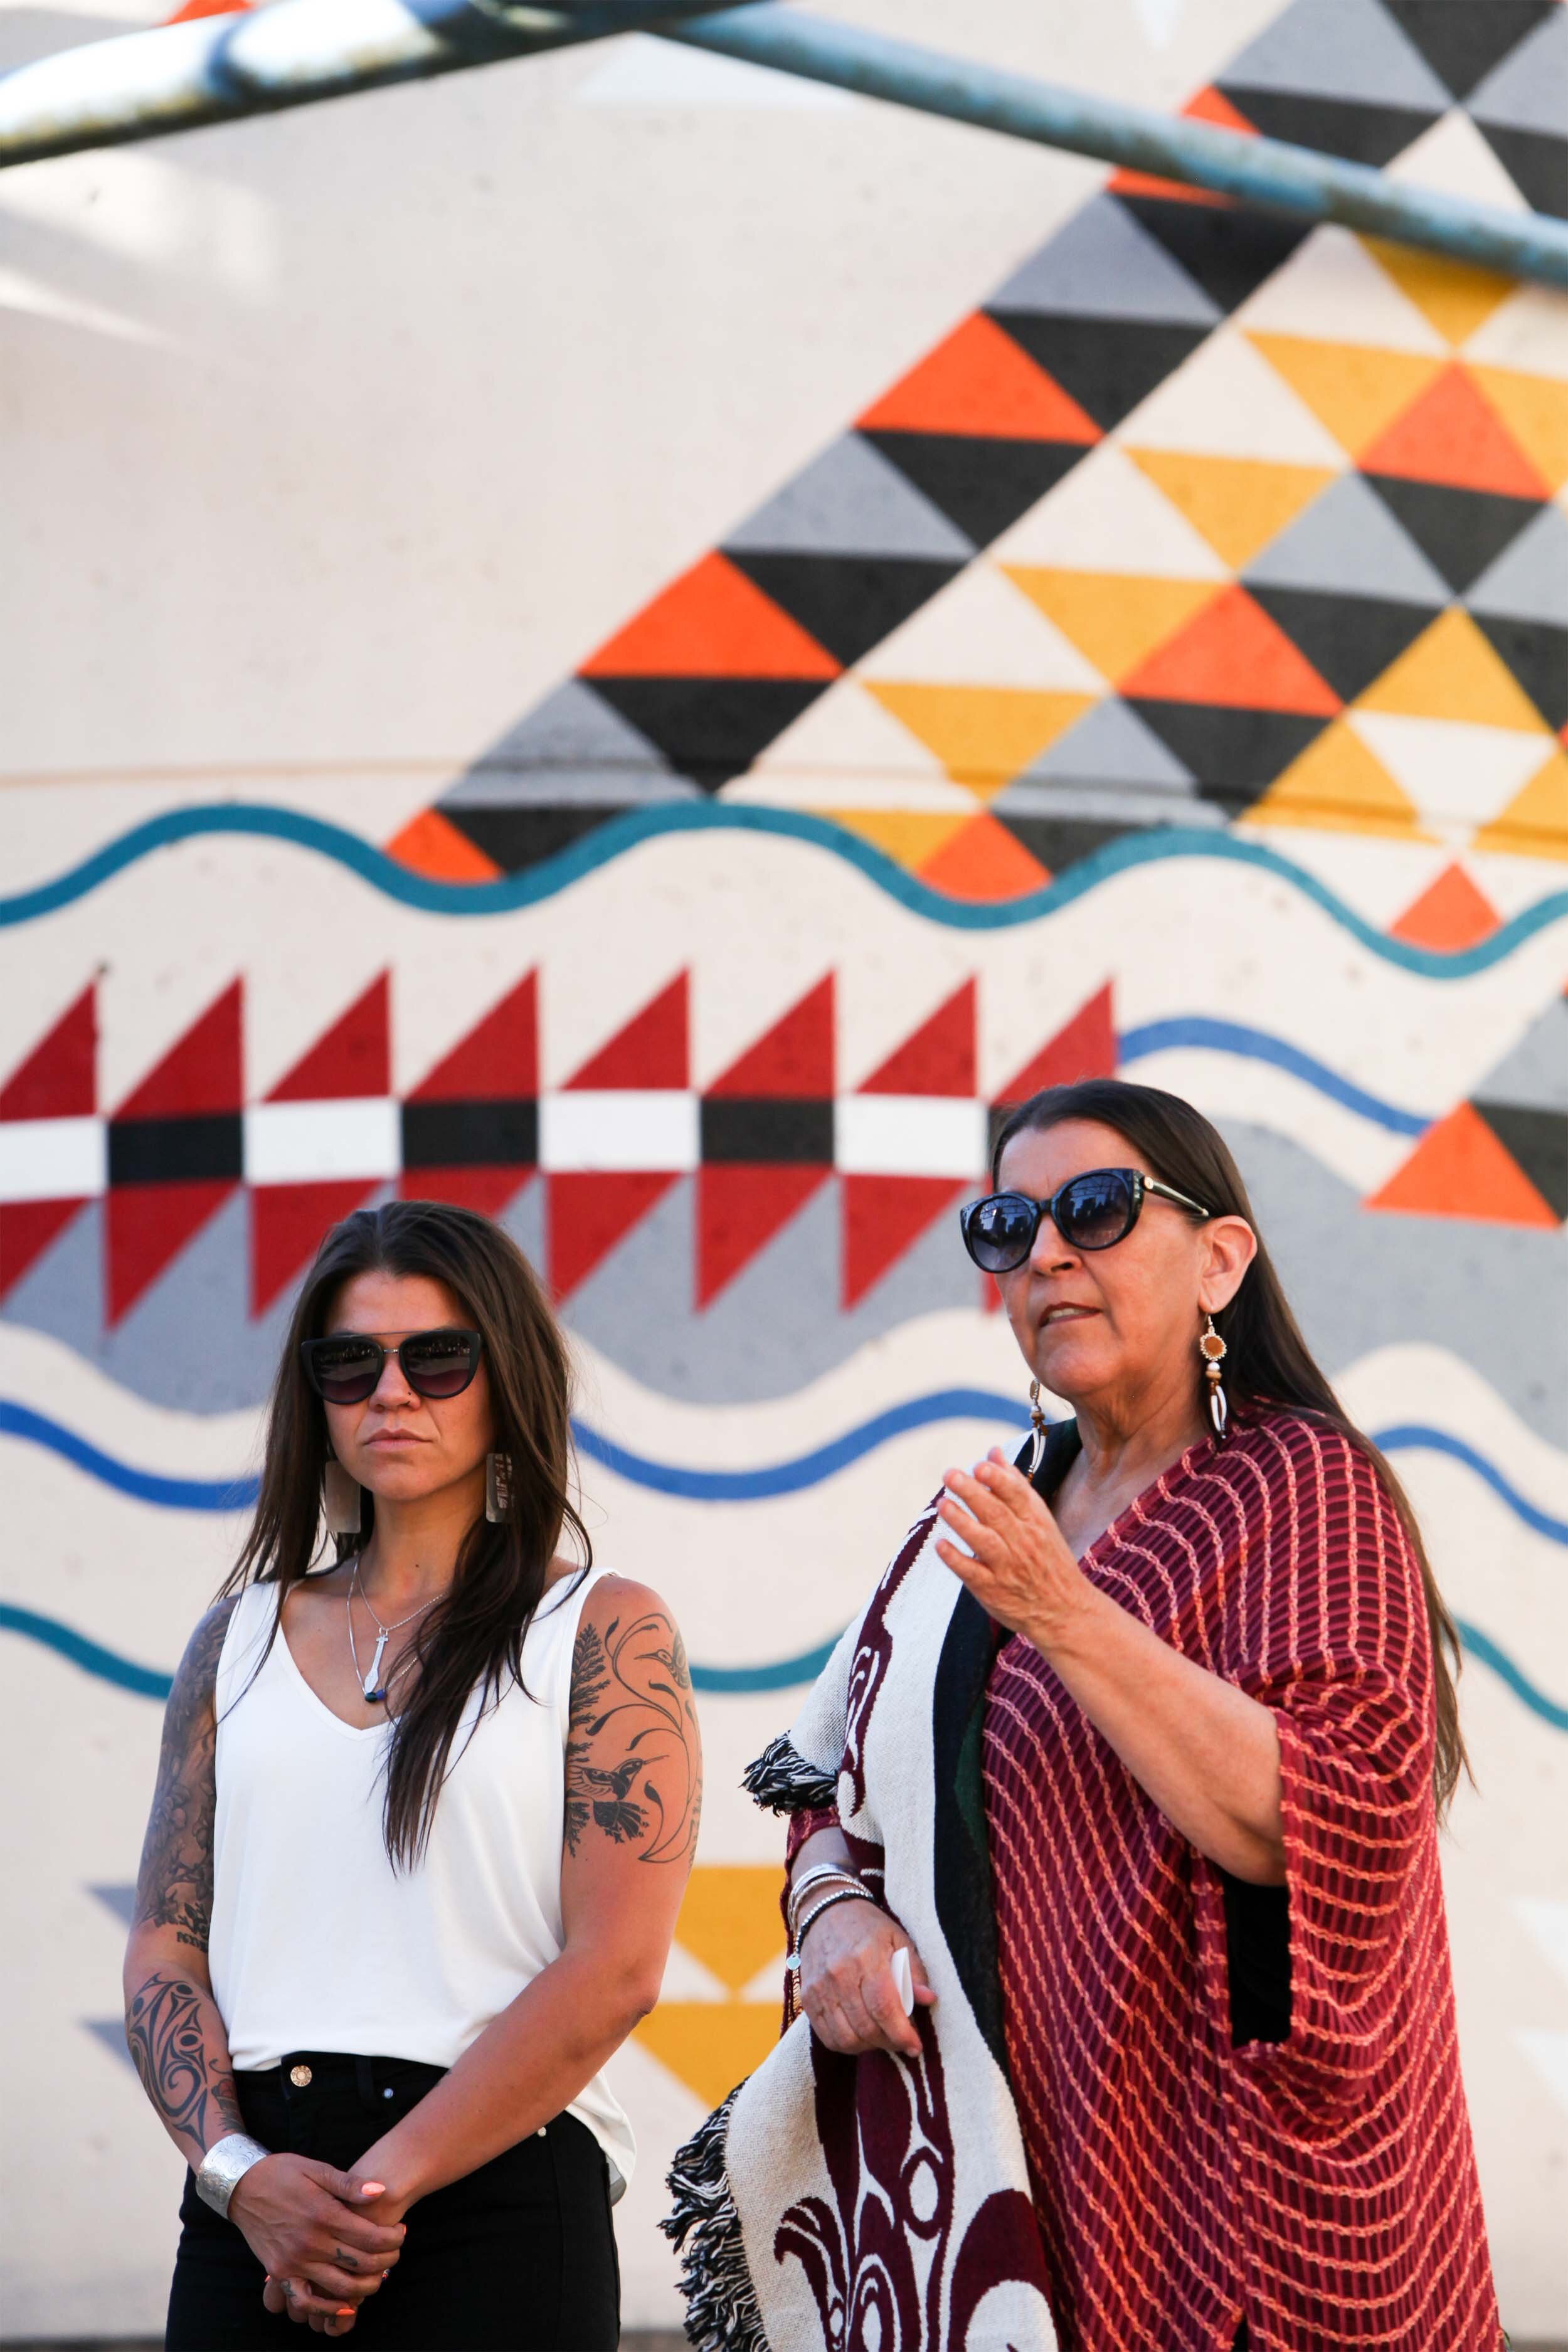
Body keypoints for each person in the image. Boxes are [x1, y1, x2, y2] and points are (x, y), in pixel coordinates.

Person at [666, 1079, 1500, 2352]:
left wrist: (1065, 1614)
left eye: (1097, 1211)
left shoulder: (1300, 1489)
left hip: (1249, 2194)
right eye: (1008, 1225)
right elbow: (828, 1779)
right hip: (1022, 2176)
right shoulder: (995, 1516)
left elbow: (1321, 1818)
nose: (1045, 1253)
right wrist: (831, 1910)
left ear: (1219, 1260)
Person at [124, 1198, 701, 2349]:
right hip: (257, 2207)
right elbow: (164, 1948)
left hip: (499, 2190)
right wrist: (242, 2177)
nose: (392, 1390)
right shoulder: (230, 1641)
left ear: (507, 1376)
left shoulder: (603, 1629)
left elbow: (618, 1968)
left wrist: (371, 2194)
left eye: (438, 1356)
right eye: (350, 1360)